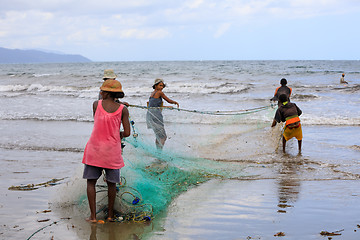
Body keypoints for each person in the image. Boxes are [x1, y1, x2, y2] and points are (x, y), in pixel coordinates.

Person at [82, 79, 130, 223]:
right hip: (112, 152)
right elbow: (127, 133)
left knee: (91, 183)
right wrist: (118, 134)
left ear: (107, 92)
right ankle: (109, 216)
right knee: (111, 184)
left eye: (102, 90)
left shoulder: (96, 104)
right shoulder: (123, 109)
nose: (100, 92)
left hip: (94, 150)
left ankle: (93, 217)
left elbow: (97, 122)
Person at [146, 78, 179, 150]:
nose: (161, 87)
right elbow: (168, 100)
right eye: (160, 85)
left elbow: (153, 105)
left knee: (158, 135)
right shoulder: (160, 93)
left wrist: (166, 106)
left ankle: (158, 151)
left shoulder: (152, 93)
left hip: (150, 115)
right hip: (156, 115)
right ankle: (160, 152)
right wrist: (175, 102)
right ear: (155, 86)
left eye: (162, 86)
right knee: (163, 136)